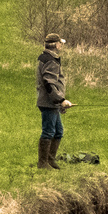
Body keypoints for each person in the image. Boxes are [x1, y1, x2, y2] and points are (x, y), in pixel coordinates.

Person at [36, 32, 73, 169]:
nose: (61, 46)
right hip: (48, 103)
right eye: (60, 43)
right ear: (56, 45)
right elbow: (49, 83)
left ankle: (50, 161)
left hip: (51, 102)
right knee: (48, 131)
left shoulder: (47, 58)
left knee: (58, 131)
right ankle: (43, 163)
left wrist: (59, 102)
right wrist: (60, 100)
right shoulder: (50, 60)